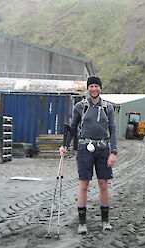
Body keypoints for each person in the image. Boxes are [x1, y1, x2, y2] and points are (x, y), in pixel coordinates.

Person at [60, 76, 117, 234]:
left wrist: (113, 152)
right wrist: (65, 145)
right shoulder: (80, 106)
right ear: (88, 88)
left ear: (100, 88)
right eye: (91, 86)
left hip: (103, 148)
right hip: (85, 148)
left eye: (96, 86)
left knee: (103, 184)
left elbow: (113, 130)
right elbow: (72, 127)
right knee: (84, 184)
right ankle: (82, 223)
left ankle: (105, 220)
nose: (94, 89)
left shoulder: (108, 108)